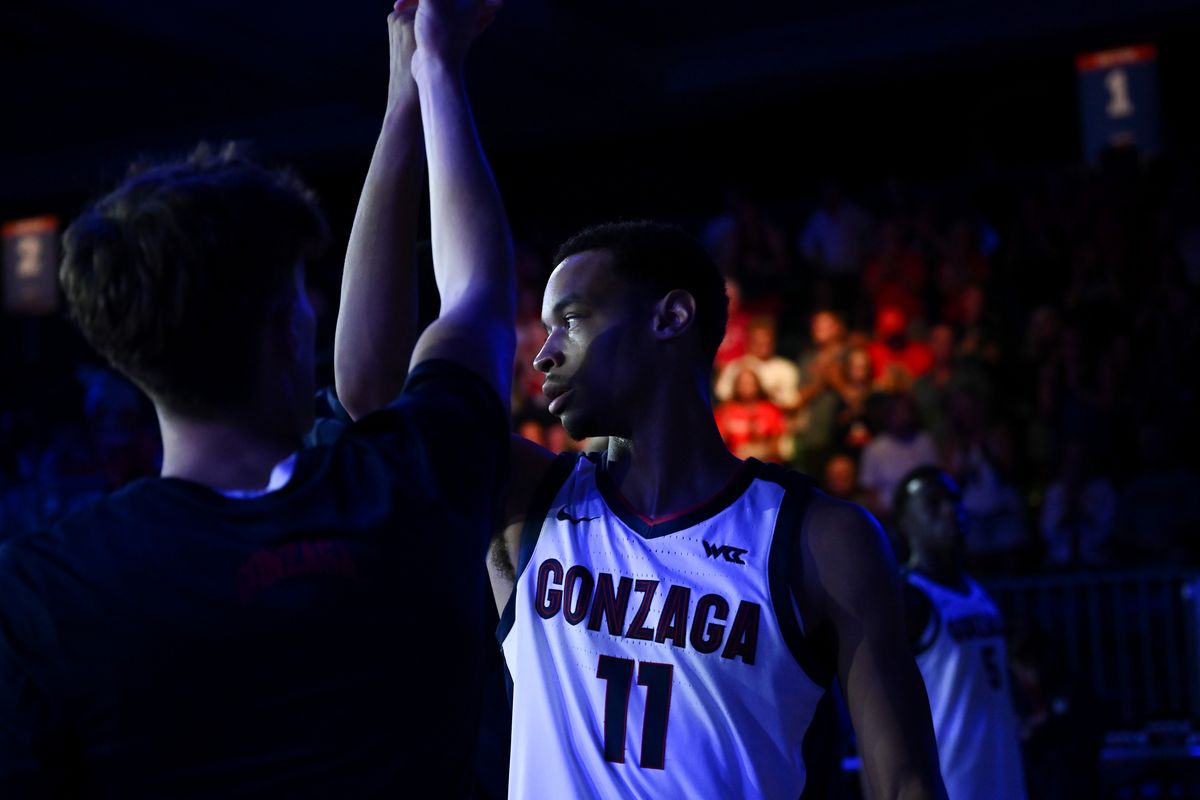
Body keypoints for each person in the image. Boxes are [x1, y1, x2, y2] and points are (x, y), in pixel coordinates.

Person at [0, 2, 514, 796]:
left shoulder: (44, 593)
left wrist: (402, 97)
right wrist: (434, 70)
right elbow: (474, 296)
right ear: (287, 331)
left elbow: (368, 385)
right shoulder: (402, 494)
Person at [338, 219, 946, 797]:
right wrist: (404, 117)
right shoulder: (532, 499)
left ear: (672, 317)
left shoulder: (821, 538)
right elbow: (372, 388)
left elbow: (906, 785)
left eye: (571, 320)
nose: (544, 354)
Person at [894, 466, 1027, 800]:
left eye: (954, 499)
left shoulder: (977, 590)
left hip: (1002, 775)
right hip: (951, 784)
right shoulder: (905, 598)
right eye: (933, 504)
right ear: (906, 523)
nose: (950, 510)